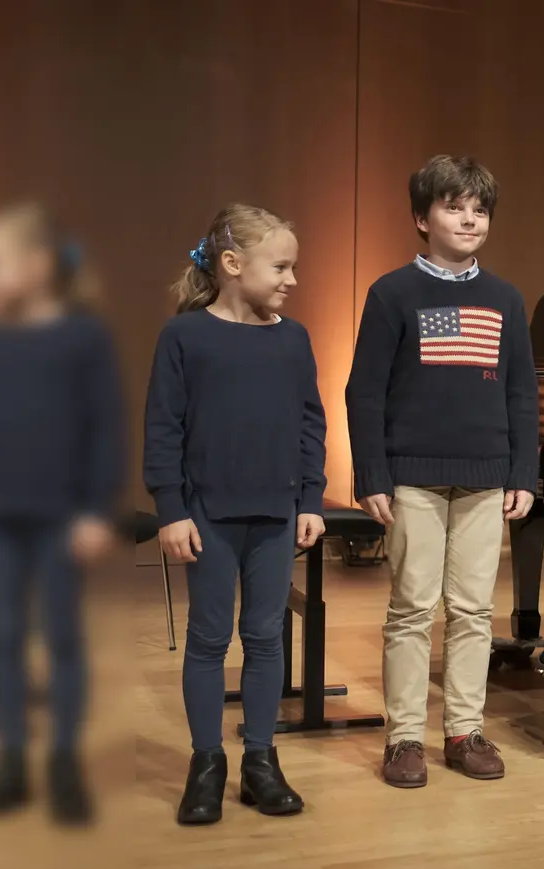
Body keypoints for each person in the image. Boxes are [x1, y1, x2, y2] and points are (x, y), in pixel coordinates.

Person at [346, 155, 539, 787]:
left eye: (479, 210)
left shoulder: (505, 297)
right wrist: (372, 475)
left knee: (474, 609)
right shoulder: (391, 293)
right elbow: (365, 391)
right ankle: (404, 738)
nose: (469, 219)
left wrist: (524, 473)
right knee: (410, 607)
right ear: (421, 218)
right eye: (453, 207)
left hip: (486, 475)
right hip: (413, 476)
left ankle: (464, 730)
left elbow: (521, 393)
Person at [145, 204, 328, 825]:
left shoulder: (293, 338)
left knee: (265, 636)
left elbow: (310, 424)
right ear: (232, 265)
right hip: (209, 515)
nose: (292, 280)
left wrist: (310, 499)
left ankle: (260, 760)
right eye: (281, 266)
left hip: (276, 514)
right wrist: (171, 510)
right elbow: (164, 429)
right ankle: (206, 763)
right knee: (208, 639)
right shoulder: (185, 337)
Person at [0, 202, 123, 825]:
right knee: (1, 637)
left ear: (38, 265)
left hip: (59, 517)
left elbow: (104, 425)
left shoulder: (83, 337)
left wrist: (94, 511)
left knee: (62, 637)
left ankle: (64, 761)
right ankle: (11, 760)